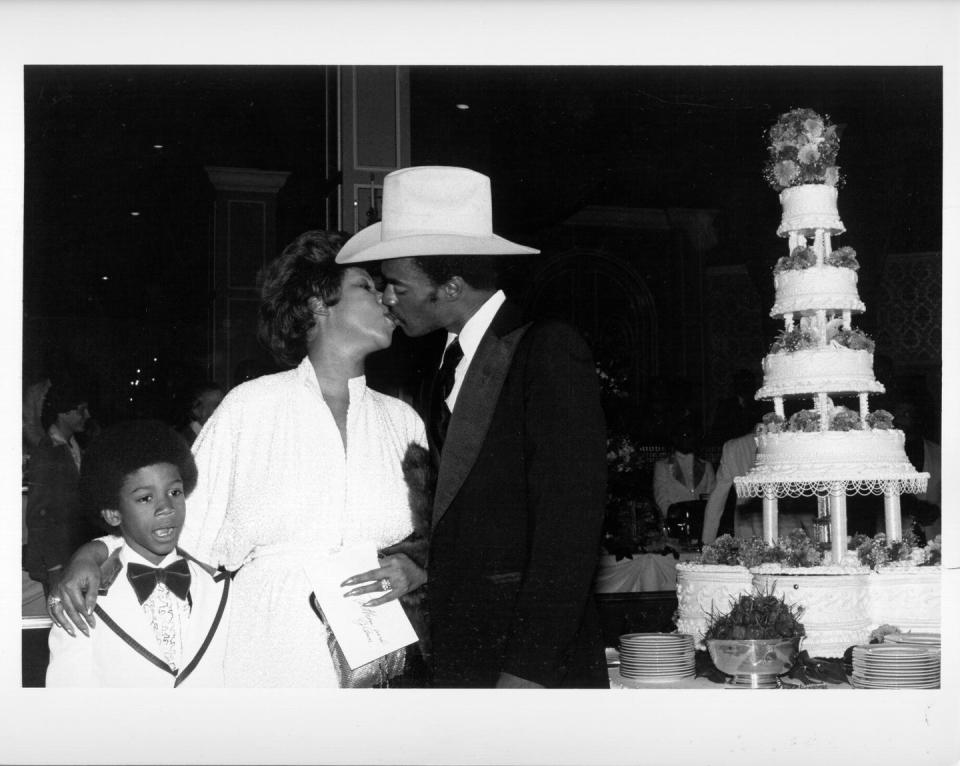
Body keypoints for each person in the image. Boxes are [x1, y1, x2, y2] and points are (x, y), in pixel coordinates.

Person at [49, 230, 430, 688]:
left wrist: (419, 568)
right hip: (273, 656)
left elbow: (441, 537)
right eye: (366, 287)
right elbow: (177, 523)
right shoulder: (250, 408)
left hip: (383, 659)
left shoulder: (403, 421)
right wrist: (94, 552)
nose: (386, 299)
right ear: (317, 303)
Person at [336, 165, 609, 688]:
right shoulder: (440, 364)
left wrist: (527, 671)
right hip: (460, 655)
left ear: (451, 286)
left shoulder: (546, 350)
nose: (386, 299)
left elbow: (568, 531)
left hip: (524, 664)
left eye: (396, 286)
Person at [46, 420, 230, 687]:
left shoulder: (220, 588)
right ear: (112, 513)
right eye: (145, 498)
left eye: (175, 492)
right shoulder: (81, 602)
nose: (166, 507)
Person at [23, 381, 97, 596]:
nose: (88, 415)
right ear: (63, 412)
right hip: (57, 562)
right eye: (82, 410)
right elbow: (38, 515)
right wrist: (54, 568)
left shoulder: (73, 447)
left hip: (74, 555)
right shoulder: (47, 452)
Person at [652, 417, 717, 540]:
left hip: (702, 527)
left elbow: (712, 497)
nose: (687, 439)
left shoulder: (706, 466)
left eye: (690, 435)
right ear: (675, 439)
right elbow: (661, 498)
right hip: (674, 528)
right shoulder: (662, 466)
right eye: (683, 435)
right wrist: (675, 520)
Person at [700, 431, 758, 544]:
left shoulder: (734, 448)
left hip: (746, 535)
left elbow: (716, 501)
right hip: (787, 535)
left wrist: (706, 542)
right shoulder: (793, 440)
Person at [176, 380, 224, 446]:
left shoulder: (219, 436)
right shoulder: (184, 444)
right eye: (217, 406)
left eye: (223, 405)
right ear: (197, 410)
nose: (223, 410)